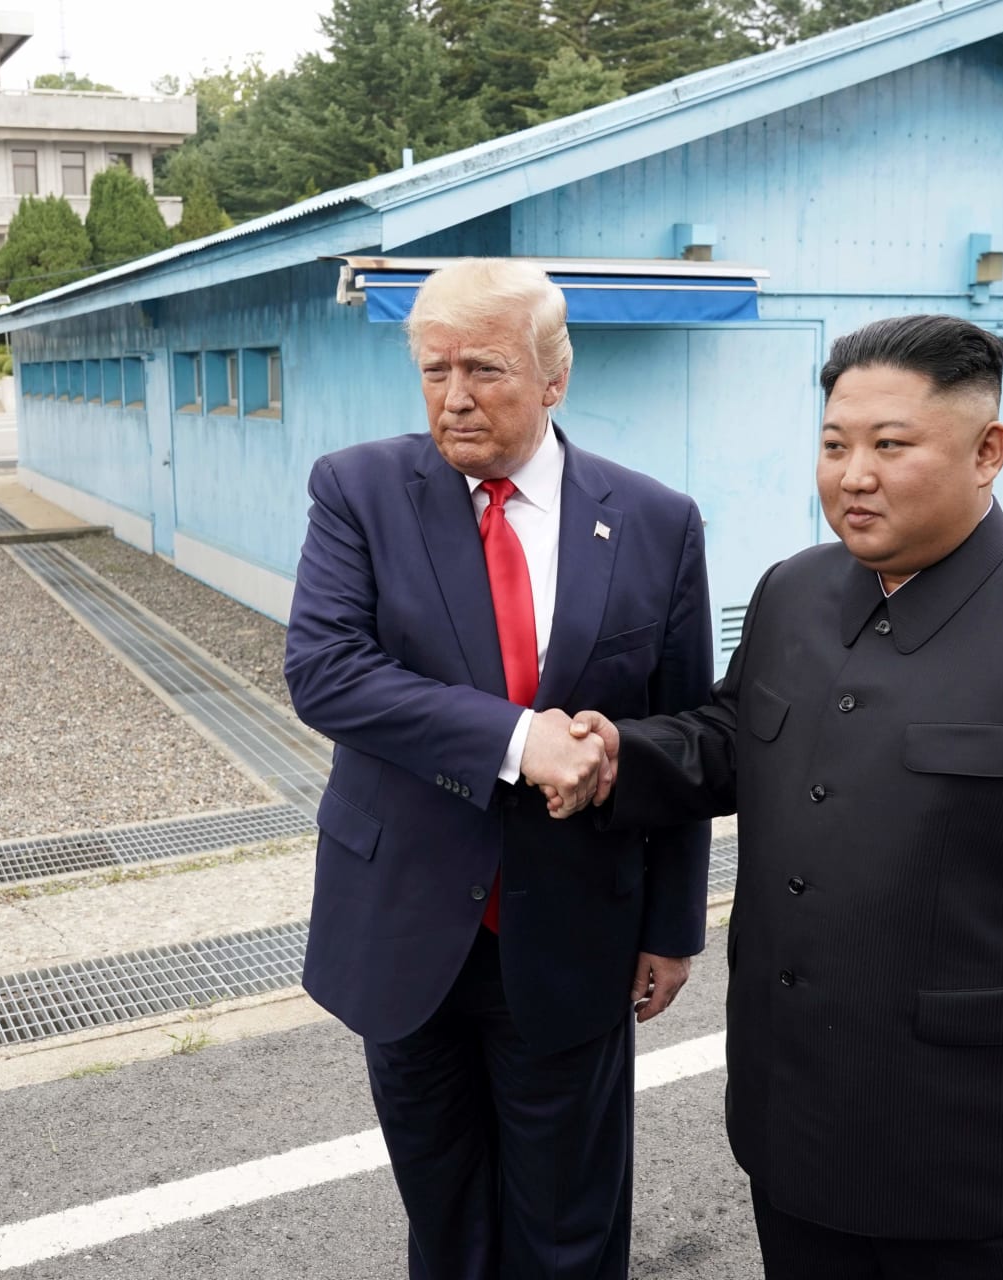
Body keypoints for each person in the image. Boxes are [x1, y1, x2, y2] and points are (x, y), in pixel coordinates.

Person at [558, 314, 1003, 1279]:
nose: (853, 474)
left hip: (979, 1140)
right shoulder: (794, 592)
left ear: (988, 452)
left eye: (890, 446)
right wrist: (619, 753)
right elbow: (736, 737)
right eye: (834, 444)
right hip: (794, 1114)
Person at [283, 258, 714, 1279]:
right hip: (407, 926)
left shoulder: (657, 520)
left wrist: (673, 925)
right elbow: (326, 671)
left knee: (569, 1225)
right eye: (433, 369)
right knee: (446, 1221)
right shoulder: (360, 490)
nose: (454, 395)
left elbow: (683, 739)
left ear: (555, 375)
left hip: (573, 929)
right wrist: (521, 742)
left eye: (483, 367)